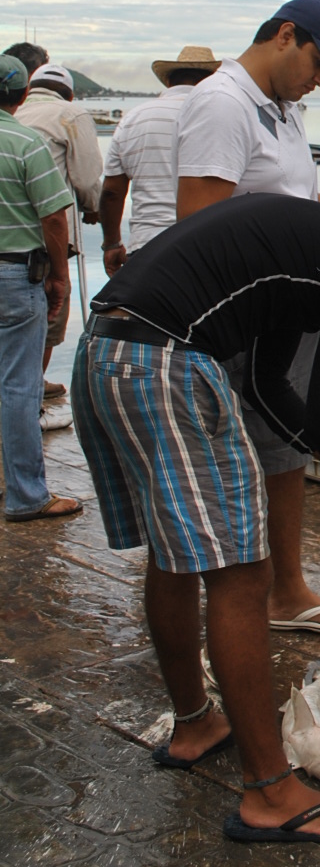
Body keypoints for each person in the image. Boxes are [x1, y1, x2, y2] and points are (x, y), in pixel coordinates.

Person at [69, 174, 320, 845]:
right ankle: (270, 790)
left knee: (175, 558)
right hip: (167, 362)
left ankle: (196, 721)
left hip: (106, 349)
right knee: (242, 575)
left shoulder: (315, 246)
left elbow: (267, 384)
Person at [174, 0, 320, 637]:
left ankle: (285, 585)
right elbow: (199, 226)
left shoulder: (283, 109)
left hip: (287, 304)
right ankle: (231, 595)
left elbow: (293, 201)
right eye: (318, 63)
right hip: (241, 312)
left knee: (283, 447)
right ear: (285, 35)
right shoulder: (224, 103)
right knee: (229, 459)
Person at [0, 54, 82, 521]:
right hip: (14, 275)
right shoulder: (25, 143)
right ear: (21, 95)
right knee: (18, 386)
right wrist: (60, 275)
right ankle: (27, 496)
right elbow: (53, 216)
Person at [19, 64, 104, 393]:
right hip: (47, 233)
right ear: (69, 93)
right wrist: (93, 208)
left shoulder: (14, 111)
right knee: (51, 307)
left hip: (8, 229)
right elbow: (84, 178)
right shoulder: (71, 113)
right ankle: (32, 384)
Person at [99, 44, 220, 272]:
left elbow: (112, 192)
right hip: (203, 248)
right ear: (211, 81)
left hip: (145, 246)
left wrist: (112, 244)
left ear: (168, 82)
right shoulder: (221, 116)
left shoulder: (134, 118)